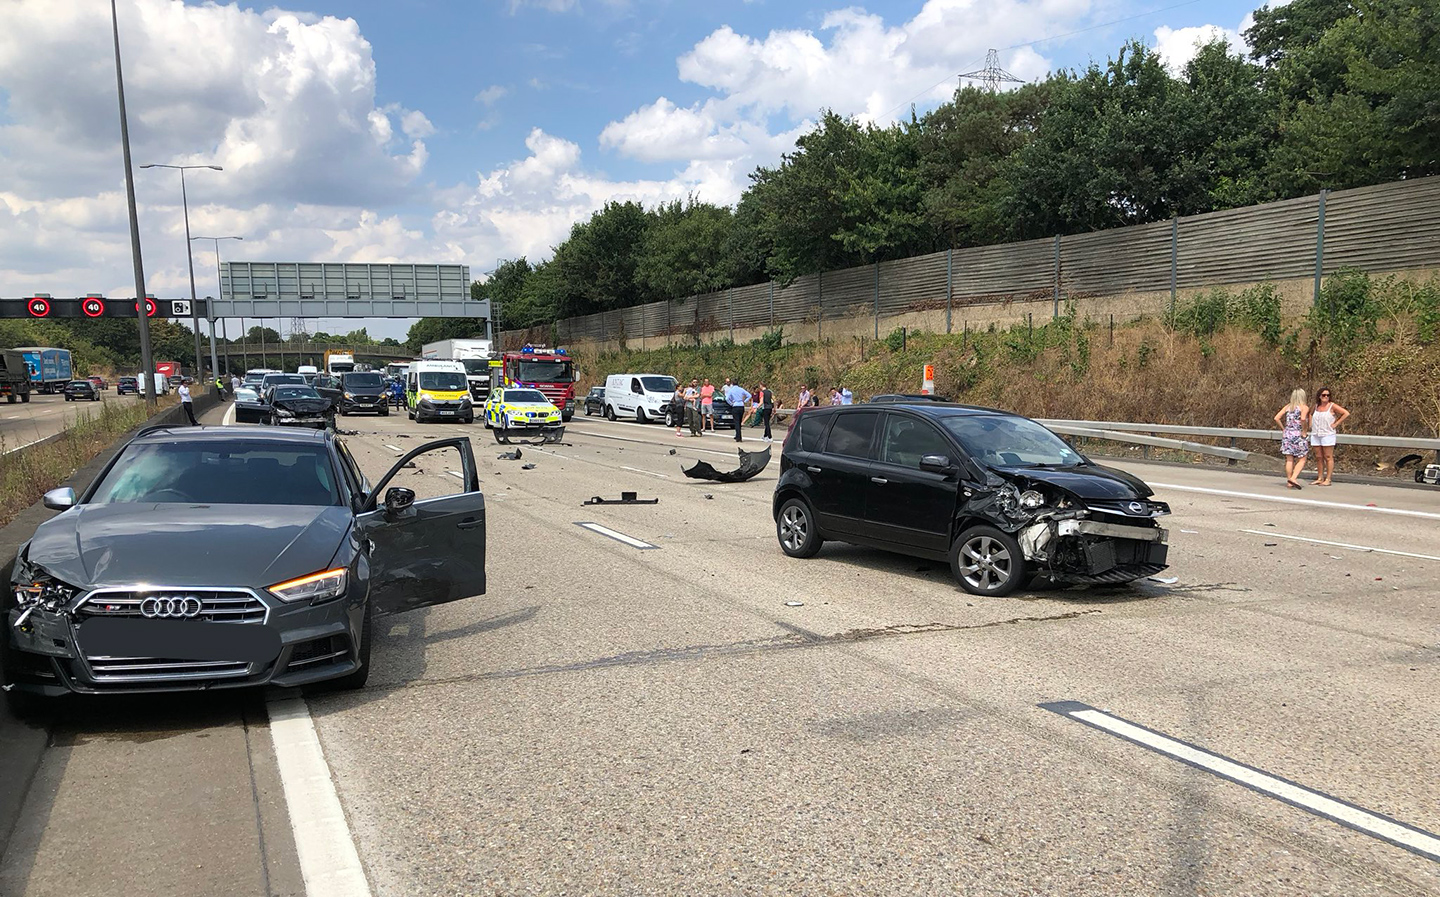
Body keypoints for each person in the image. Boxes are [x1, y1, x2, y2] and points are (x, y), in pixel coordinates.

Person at [1309, 387, 1350, 486]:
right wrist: (1310, 424)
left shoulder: (1332, 406)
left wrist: (1336, 424)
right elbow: (1309, 414)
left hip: (1327, 434)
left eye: (1328, 395)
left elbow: (1346, 413)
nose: (1326, 397)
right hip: (1316, 434)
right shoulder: (1315, 406)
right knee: (1319, 456)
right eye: (1323, 395)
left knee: (1328, 456)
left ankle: (1328, 478)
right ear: (1319, 396)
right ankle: (1320, 477)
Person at [1274, 388, 1309, 489]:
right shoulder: (1304, 407)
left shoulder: (1289, 407)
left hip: (1287, 434)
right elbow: (1303, 419)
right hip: (1298, 434)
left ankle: (1289, 481)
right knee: (1302, 458)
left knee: (1289, 459)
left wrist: (1284, 428)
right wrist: (1304, 430)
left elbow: (1276, 418)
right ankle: (1293, 478)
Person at [722, 378, 752, 443]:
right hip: (741, 405)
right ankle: (737, 435)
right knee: (739, 421)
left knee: (736, 422)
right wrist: (744, 401)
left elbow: (727, 398)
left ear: (732, 383)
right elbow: (749, 395)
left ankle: (739, 437)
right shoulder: (741, 389)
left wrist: (731, 403)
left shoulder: (731, 390)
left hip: (735, 405)